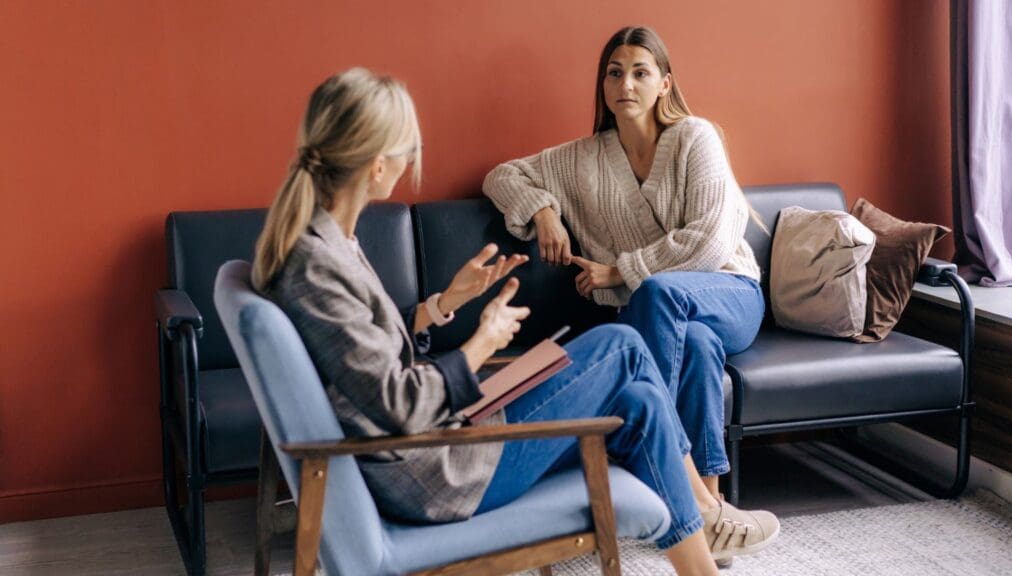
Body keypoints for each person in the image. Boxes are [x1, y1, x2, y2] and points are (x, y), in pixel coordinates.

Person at [251, 68, 777, 574]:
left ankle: (700, 557)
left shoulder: (326, 243)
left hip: (442, 439)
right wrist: (482, 344)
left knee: (638, 398)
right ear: (376, 165)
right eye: (407, 148)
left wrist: (443, 304)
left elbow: (364, 352)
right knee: (621, 346)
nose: (412, 158)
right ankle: (706, 511)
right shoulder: (315, 265)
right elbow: (397, 405)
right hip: (437, 468)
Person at [483, 25, 769, 537]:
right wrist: (544, 211)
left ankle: (655, 469)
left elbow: (709, 241)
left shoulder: (695, 137)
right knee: (698, 347)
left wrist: (619, 271)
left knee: (659, 293)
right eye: (615, 73)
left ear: (664, 84)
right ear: (604, 85)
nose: (626, 84)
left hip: (730, 292)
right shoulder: (584, 158)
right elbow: (502, 176)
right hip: (669, 315)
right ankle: (708, 507)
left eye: (641, 72)